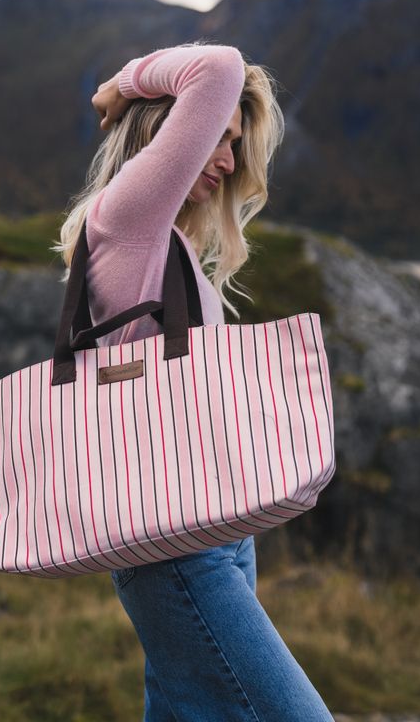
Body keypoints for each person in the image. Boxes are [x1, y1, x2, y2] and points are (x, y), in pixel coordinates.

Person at [52, 41, 334, 721]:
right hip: (176, 547)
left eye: (235, 144)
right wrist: (121, 84)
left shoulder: (165, 243)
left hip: (217, 526)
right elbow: (219, 66)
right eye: (218, 136)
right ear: (164, 128)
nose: (229, 162)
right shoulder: (127, 220)